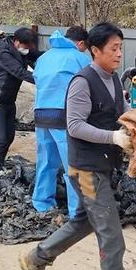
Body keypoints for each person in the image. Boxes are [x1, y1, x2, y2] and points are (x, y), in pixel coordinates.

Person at [19, 22, 136, 270]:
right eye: (113, 48)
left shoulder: (114, 79)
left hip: (105, 166)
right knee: (111, 234)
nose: (119, 54)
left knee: (83, 221)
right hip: (86, 169)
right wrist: (113, 138)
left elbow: (124, 113)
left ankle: (36, 259)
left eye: (121, 48)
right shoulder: (82, 81)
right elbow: (75, 126)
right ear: (94, 50)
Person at [31, 26, 91, 216]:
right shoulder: (79, 58)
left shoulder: (44, 57)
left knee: (46, 161)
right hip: (64, 115)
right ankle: (77, 211)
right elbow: (91, 84)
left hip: (41, 114)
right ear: (81, 43)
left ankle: (41, 203)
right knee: (73, 164)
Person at [0, 27, 42, 177]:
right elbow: (20, 73)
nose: (28, 50)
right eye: (25, 46)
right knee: (0, 136)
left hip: (8, 99)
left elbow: (39, 57)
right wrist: (46, 80)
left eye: (30, 47)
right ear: (16, 42)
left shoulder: (22, 50)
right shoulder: (4, 53)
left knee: (9, 135)